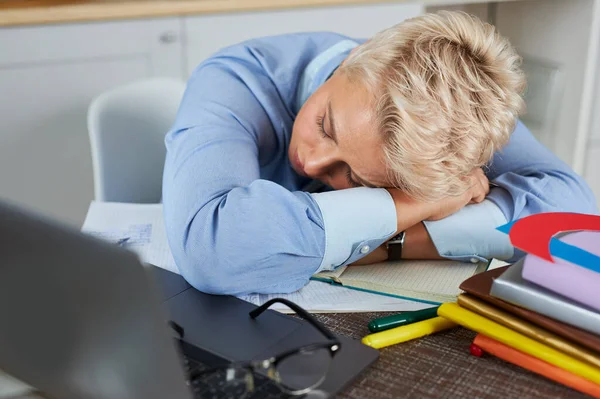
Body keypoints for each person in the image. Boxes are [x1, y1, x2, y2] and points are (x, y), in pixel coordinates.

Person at [162, 11, 598, 295]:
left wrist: (393, 242)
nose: (312, 162)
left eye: (357, 180)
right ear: (354, 57)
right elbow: (212, 250)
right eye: (324, 123)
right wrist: (416, 203)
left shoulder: (453, 114)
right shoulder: (238, 78)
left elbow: (574, 218)